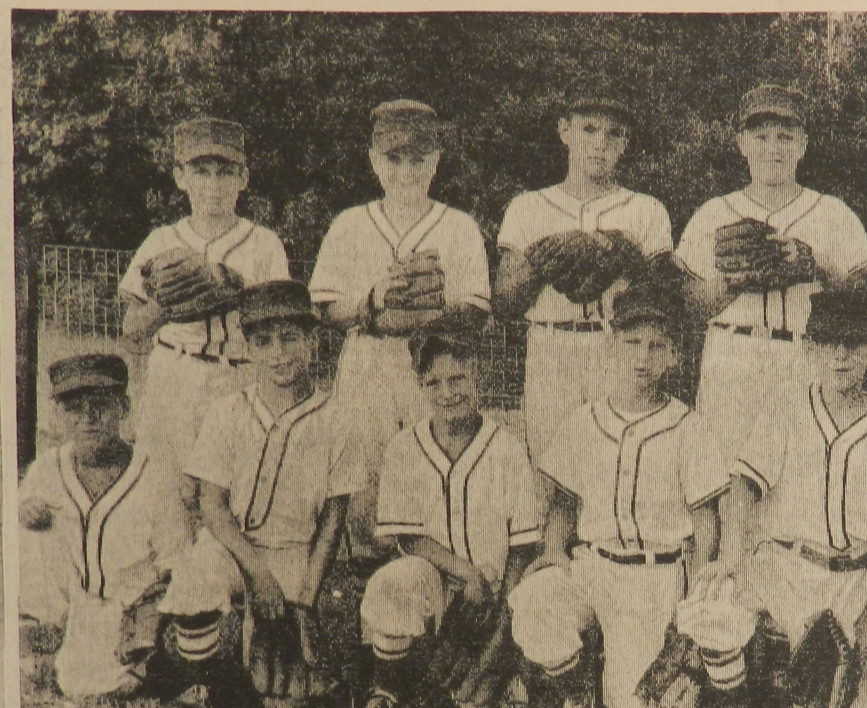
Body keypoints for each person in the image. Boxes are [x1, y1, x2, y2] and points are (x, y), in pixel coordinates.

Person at [679, 290, 867, 708]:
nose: (840, 357)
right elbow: (743, 486)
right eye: (828, 344)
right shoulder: (786, 408)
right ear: (809, 349)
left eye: (853, 345)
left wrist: (856, 604)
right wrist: (731, 557)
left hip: (851, 576)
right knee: (710, 604)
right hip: (782, 564)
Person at [508, 281, 728, 708]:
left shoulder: (690, 426)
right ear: (611, 344)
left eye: (656, 346)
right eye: (631, 343)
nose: (642, 357)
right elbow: (564, 503)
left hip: (655, 577)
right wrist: (552, 552)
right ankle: (577, 703)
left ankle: (613, 694)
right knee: (533, 600)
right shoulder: (585, 420)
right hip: (593, 565)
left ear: (673, 356)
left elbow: (705, 520)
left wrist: (694, 590)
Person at [158, 281, 364, 706]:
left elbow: (333, 518)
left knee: (285, 697)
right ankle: (207, 679)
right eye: (264, 341)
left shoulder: (339, 419)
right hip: (231, 545)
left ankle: (243, 667)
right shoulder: (228, 410)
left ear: (313, 342)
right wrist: (258, 575)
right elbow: (211, 504)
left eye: (291, 338)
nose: (279, 353)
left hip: (293, 549)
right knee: (196, 580)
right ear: (247, 348)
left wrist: (305, 600)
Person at [310, 100, 491, 555]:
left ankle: (434, 580)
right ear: (374, 160)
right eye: (394, 158)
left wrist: (429, 312)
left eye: (417, 158)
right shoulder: (350, 224)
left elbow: (477, 310)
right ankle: (370, 580)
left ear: (434, 162)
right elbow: (324, 308)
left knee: (430, 473)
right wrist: (372, 301)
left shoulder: (459, 226)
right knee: (365, 480)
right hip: (368, 361)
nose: (406, 170)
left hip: (431, 365)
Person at [676, 84, 867, 460]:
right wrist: (733, 283)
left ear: (802, 145)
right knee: (725, 477)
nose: (773, 148)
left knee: (800, 481)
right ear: (741, 143)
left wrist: (818, 267)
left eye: (786, 137)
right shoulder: (713, 212)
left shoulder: (833, 212)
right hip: (730, 357)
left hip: (803, 358)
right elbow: (690, 309)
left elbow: (863, 298)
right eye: (761, 136)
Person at [357, 331, 541, 708]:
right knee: (394, 580)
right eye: (434, 383)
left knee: (482, 700)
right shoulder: (405, 447)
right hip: (437, 582)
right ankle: (387, 687)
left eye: (457, 379)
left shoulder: (507, 447)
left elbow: (524, 547)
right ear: (420, 384)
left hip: (493, 590)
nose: (447, 393)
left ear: (478, 375)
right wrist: (464, 572)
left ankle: (490, 673)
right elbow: (408, 537)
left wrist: (501, 614)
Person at [494, 89, 673, 461]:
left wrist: (622, 253)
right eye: (589, 130)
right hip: (550, 348)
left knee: (615, 470)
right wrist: (541, 261)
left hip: (617, 348)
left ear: (625, 142)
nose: (600, 144)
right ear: (564, 130)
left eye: (613, 134)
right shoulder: (528, 207)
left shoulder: (646, 209)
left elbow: (666, 297)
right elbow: (504, 301)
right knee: (548, 473)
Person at [119, 117, 290, 506]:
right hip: (174, 376)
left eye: (225, 172)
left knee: (234, 497)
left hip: (239, 376)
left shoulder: (264, 244)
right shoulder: (160, 241)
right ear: (181, 176)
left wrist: (239, 291)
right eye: (201, 171)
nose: (214, 185)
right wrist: (164, 306)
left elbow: (282, 322)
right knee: (164, 499)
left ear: (243, 177)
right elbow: (132, 331)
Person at [18, 353, 190, 699]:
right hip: (72, 609)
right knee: (28, 519)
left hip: (131, 613)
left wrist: (149, 618)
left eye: (100, 405)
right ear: (58, 415)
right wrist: (24, 511)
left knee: (100, 685)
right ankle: (36, 637)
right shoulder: (46, 470)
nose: (88, 418)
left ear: (124, 408)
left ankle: (147, 663)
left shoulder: (154, 473)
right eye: (74, 409)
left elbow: (178, 562)